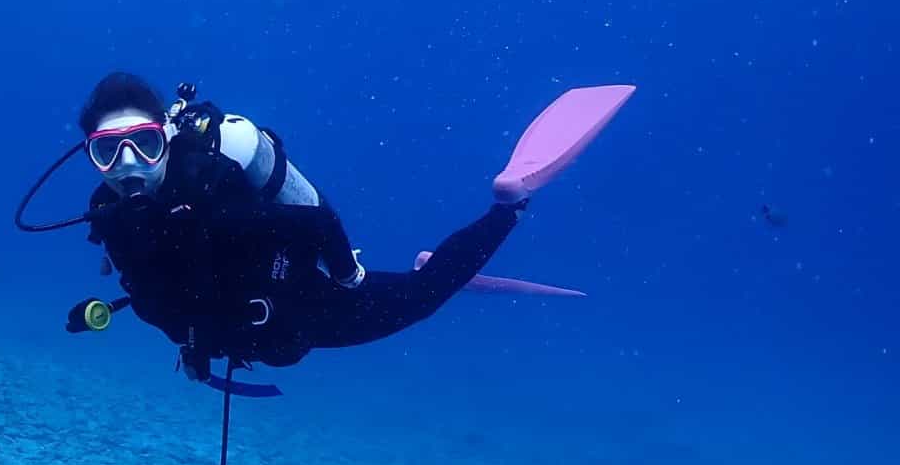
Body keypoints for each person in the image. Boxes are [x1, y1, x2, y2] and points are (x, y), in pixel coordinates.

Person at [69, 72, 572, 377]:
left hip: (311, 304)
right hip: (248, 331)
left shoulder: (210, 189)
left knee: (422, 297)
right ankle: (445, 262)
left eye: (145, 144)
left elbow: (314, 222)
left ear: (167, 138)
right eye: (109, 151)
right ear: (91, 155)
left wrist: (348, 277)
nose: (130, 163)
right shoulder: (109, 216)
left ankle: (510, 204)